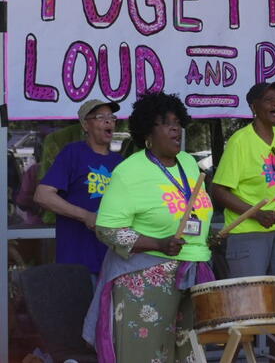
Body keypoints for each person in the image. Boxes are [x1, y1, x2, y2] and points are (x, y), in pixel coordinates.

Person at [83, 93, 214, 363]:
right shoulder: (129, 172)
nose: (175, 128)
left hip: (190, 273)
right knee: (147, 356)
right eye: (166, 123)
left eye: (178, 122)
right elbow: (106, 229)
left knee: (187, 354)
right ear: (147, 133)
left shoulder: (189, 164)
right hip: (144, 280)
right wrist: (157, 243)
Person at [212, 82, 275, 278]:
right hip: (247, 233)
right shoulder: (240, 141)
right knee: (251, 301)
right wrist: (256, 214)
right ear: (253, 107)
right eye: (268, 100)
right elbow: (218, 191)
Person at [34, 100, 123, 278]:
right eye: (100, 117)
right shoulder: (73, 153)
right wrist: (86, 216)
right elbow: (42, 195)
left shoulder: (120, 163)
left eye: (111, 117)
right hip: (78, 262)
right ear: (85, 125)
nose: (109, 121)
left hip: (114, 264)